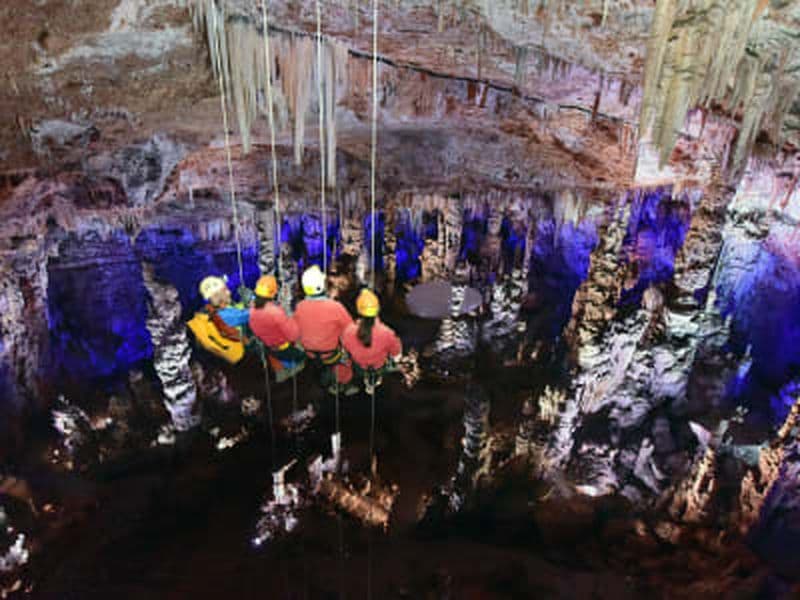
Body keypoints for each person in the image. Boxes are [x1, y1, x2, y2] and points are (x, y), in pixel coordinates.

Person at [293, 265, 355, 393]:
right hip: (331, 354)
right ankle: (344, 383)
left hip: (309, 353)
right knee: (348, 354)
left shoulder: (299, 307)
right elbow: (350, 330)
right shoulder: (335, 307)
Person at [341, 289, 402, 393]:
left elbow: (345, 350)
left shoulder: (348, 331)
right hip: (379, 365)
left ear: (358, 309)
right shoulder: (387, 332)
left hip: (358, 366)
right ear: (378, 309)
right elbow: (396, 354)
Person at [249, 275, 305, 382]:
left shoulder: (252, 310)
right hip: (284, 348)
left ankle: (281, 371)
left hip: (269, 347)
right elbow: (293, 335)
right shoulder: (275, 311)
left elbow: (255, 329)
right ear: (273, 293)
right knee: (303, 355)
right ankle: (295, 369)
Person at [199, 275, 250, 340]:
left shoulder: (214, 309)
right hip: (245, 338)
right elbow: (249, 314)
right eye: (225, 290)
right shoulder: (227, 315)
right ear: (218, 296)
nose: (229, 292)